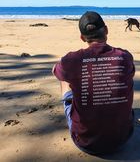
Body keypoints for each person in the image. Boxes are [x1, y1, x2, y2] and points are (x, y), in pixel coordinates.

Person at [52, 11, 135, 155]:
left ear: (82, 38)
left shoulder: (71, 59)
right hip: (122, 140)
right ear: (106, 30)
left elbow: (55, 70)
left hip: (85, 142)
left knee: (64, 78)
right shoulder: (124, 56)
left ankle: (74, 104)